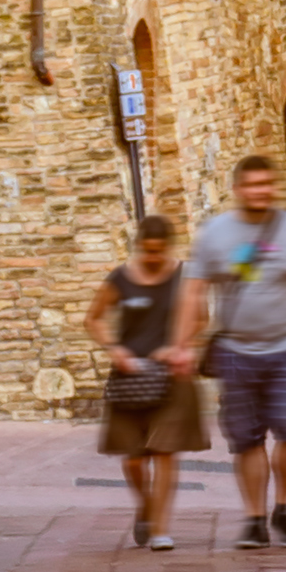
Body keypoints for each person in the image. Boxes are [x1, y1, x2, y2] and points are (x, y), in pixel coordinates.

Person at [177, 157, 286, 548]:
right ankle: (253, 518)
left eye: (266, 183)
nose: (260, 191)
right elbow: (194, 292)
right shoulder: (215, 233)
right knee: (246, 439)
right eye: (251, 185)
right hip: (235, 350)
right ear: (237, 189)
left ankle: (284, 506)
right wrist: (182, 345)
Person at [90, 219, 198, 548]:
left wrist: (178, 346)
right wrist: (114, 348)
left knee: (165, 451)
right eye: (147, 251)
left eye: (159, 251)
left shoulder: (185, 277)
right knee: (134, 458)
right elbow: (93, 318)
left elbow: (201, 317)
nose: (153, 257)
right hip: (130, 377)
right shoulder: (121, 278)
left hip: (170, 376)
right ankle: (146, 507)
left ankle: (161, 529)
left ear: (169, 246)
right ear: (139, 247)